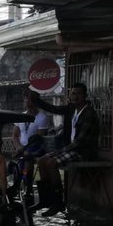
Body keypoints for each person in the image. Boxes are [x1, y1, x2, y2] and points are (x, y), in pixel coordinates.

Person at [30, 84, 100, 214]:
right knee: (41, 161)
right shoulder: (71, 109)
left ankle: (58, 203)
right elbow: (53, 108)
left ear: (85, 96)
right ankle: (45, 200)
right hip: (71, 149)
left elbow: (81, 141)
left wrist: (62, 150)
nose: (75, 96)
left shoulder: (89, 113)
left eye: (78, 93)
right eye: (73, 93)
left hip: (83, 151)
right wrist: (36, 100)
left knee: (51, 163)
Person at [12, 92, 52, 195]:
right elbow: (15, 135)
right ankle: (19, 185)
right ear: (24, 99)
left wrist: (23, 150)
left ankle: (27, 187)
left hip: (36, 148)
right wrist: (19, 147)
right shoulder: (20, 116)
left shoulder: (42, 117)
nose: (29, 101)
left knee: (27, 157)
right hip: (22, 149)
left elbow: (38, 139)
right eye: (27, 98)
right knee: (19, 161)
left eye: (32, 99)